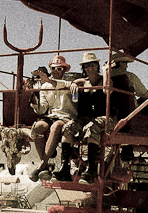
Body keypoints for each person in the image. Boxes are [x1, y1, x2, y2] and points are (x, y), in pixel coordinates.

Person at [54, 52, 111, 184]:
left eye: (92, 65)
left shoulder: (105, 80)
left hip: (103, 117)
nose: (90, 68)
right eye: (86, 66)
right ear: (83, 68)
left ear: (97, 66)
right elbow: (72, 82)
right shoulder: (82, 81)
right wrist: (73, 84)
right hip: (85, 117)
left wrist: (106, 71)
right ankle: (64, 168)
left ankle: (91, 169)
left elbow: (107, 90)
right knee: (68, 127)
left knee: (92, 127)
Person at [28, 55, 77, 182]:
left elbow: (60, 85)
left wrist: (47, 81)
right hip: (52, 116)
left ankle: (43, 165)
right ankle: (44, 164)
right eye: (54, 68)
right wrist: (33, 94)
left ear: (65, 70)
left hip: (67, 116)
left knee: (56, 127)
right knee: (38, 127)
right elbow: (42, 109)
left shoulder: (69, 83)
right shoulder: (44, 87)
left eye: (59, 69)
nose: (56, 71)